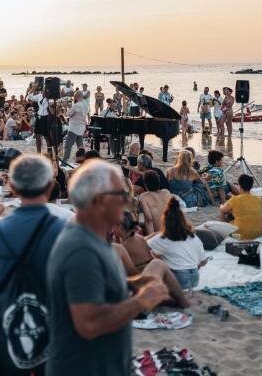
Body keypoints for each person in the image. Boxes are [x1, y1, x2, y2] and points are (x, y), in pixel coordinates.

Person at [46, 160, 167, 376]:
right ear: (101, 200)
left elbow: (98, 287)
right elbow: (89, 323)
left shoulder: (94, 238)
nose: (126, 199)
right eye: (120, 193)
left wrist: (136, 284)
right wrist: (141, 301)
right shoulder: (81, 251)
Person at [0, 154, 66, 376]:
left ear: (13, 187)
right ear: (49, 187)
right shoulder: (65, 233)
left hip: (6, 329)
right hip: (50, 330)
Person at [146, 197, 208, 290]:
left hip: (179, 279)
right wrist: (194, 265)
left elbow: (144, 245)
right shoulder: (193, 237)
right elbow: (204, 261)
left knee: (155, 263)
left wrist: (159, 257)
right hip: (194, 278)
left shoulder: (162, 238)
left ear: (165, 221)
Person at [219, 174, 262, 240]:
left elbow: (223, 209)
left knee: (223, 212)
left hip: (240, 234)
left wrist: (221, 206)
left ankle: (223, 234)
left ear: (239, 186)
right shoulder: (258, 200)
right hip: (257, 233)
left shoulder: (235, 199)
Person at [62, 91, 88, 163]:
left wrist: (66, 107)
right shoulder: (86, 104)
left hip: (74, 128)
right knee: (80, 146)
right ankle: (83, 160)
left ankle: (64, 161)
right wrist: (71, 106)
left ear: (76, 97)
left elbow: (68, 114)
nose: (74, 99)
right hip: (81, 127)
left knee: (68, 145)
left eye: (74, 97)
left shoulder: (77, 105)